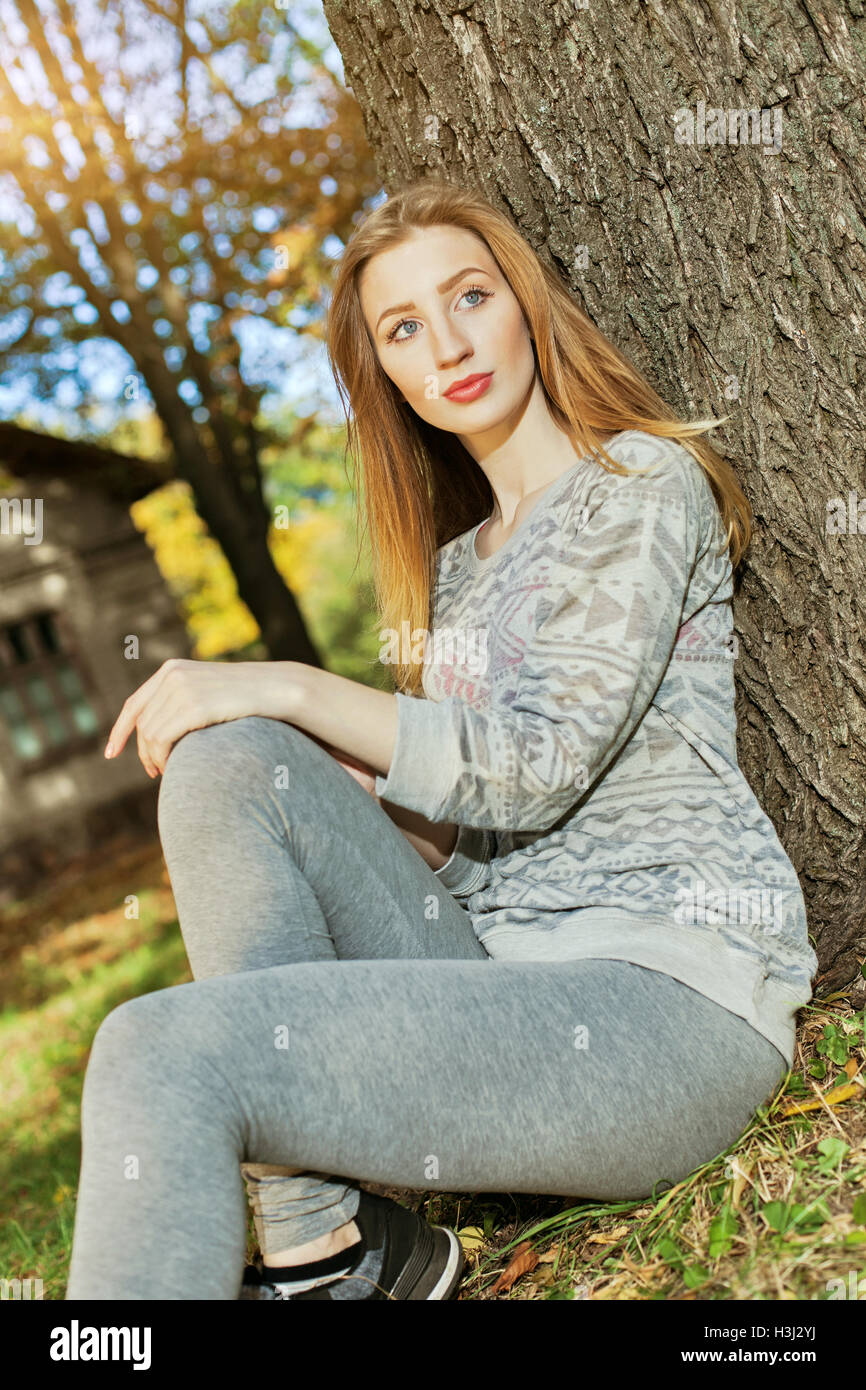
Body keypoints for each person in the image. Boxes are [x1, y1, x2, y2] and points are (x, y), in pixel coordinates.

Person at [65, 177, 817, 1301]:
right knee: (234, 757)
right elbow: (464, 840)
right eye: (403, 327)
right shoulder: (456, 574)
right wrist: (311, 777)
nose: (447, 343)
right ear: (386, 373)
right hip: (487, 993)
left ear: (524, 301)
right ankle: (334, 1245)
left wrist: (293, 682)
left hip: (658, 1008)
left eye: (470, 295)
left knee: (156, 1047)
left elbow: (533, 763)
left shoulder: (642, 484)